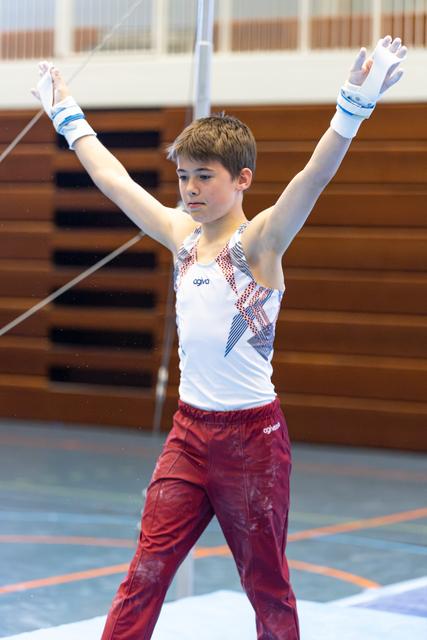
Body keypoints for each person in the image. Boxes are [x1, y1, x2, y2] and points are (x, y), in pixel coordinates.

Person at [34, 35, 406, 640]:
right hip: (189, 433)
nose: (189, 189)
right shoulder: (183, 237)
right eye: (183, 177)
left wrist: (352, 107)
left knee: (266, 585)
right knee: (146, 572)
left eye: (204, 177)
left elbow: (312, 179)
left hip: (252, 442)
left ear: (242, 180)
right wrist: (67, 114)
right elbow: (116, 183)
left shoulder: (259, 244)